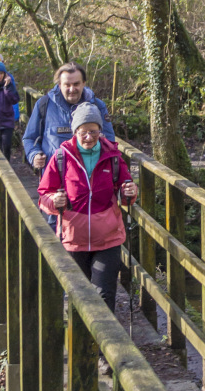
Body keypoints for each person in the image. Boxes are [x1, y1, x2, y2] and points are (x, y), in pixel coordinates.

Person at [37, 103, 137, 367]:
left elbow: (127, 194)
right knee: (79, 297)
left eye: (94, 131)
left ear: (100, 131)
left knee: (104, 295)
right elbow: (43, 195)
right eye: (84, 131)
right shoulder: (61, 157)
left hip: (108, 237)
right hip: (74, 238)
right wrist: (53, 201)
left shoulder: (113, 157)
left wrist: (130, 192)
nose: (89, 137)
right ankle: (82, 347)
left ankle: (103, 354)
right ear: (75, 131)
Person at [23, 61, 115, 172]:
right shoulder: (44, 105)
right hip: (54, 180)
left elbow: (110, 142)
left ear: (83, 83)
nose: (72, 89)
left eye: (76, 84)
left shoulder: (97, 106)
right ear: (59, 85)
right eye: (67, 85)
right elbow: (30, 138)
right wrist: (34, 155)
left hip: (89, 178)